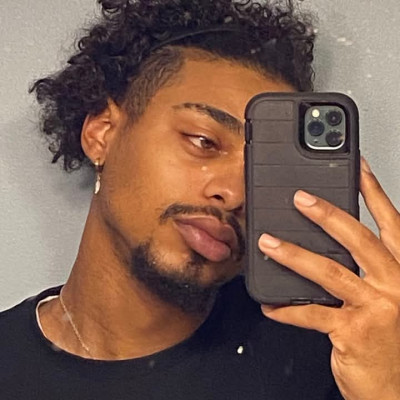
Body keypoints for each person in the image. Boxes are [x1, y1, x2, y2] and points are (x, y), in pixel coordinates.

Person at [1, 0, 399, 399]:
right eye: (204, 142)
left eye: (263, 173)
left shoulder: (337, 360)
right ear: (102, 133)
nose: (236, 194)